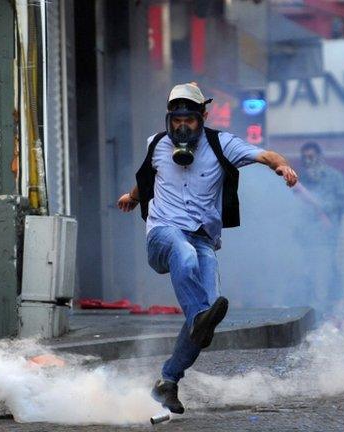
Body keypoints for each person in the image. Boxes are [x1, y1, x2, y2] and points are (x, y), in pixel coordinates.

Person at [117, 83, 298, 414]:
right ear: (169, 119)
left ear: (203, 117)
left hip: (200, 238)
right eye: (176, 120)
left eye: (189, 120)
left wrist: (281, 167)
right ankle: (197, 317)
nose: (182, 127)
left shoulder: (222, 145)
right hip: (163, 235)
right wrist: (133, 196)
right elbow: (147, 178)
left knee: (209, 311)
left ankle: (167, 382)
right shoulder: (156, 144)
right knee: (185, 262)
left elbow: (265, 155)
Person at [293, 142, 344, 309]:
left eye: (311, 157)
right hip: (303, 240)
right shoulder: (300, 181)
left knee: (323, 278)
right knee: (305, 281)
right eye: (304, 158)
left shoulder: (335, 177)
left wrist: (324, 206)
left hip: (326, 239)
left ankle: (321, 315)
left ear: (320, 157)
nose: (308, 161)